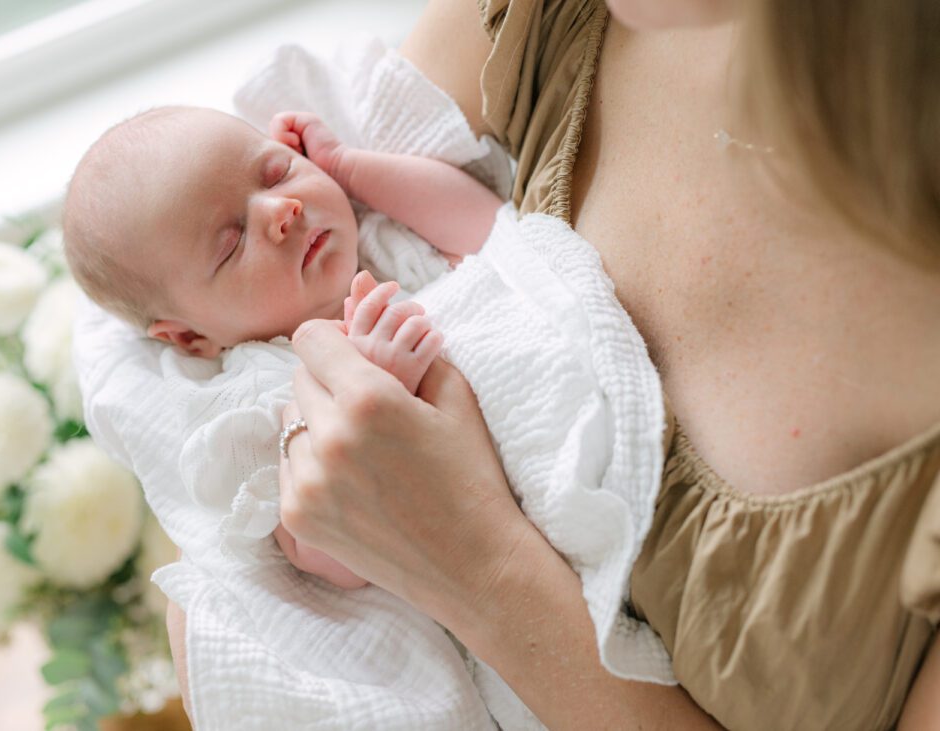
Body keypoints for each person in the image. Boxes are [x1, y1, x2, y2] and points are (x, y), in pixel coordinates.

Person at [167, 0, 940, 728]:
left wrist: (476, 563)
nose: (283, 210)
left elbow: (479, 230)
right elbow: (247, 566)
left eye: (276, 181)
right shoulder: (551, 21)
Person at [63, 105, 501, 588]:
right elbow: (329, 554)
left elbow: (495, 230)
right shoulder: (257, 397)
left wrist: (346, 168)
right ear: (192, 337)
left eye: (277, 174)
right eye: (233, 244)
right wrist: (379, 387)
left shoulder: (379, 238)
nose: (281, 210)